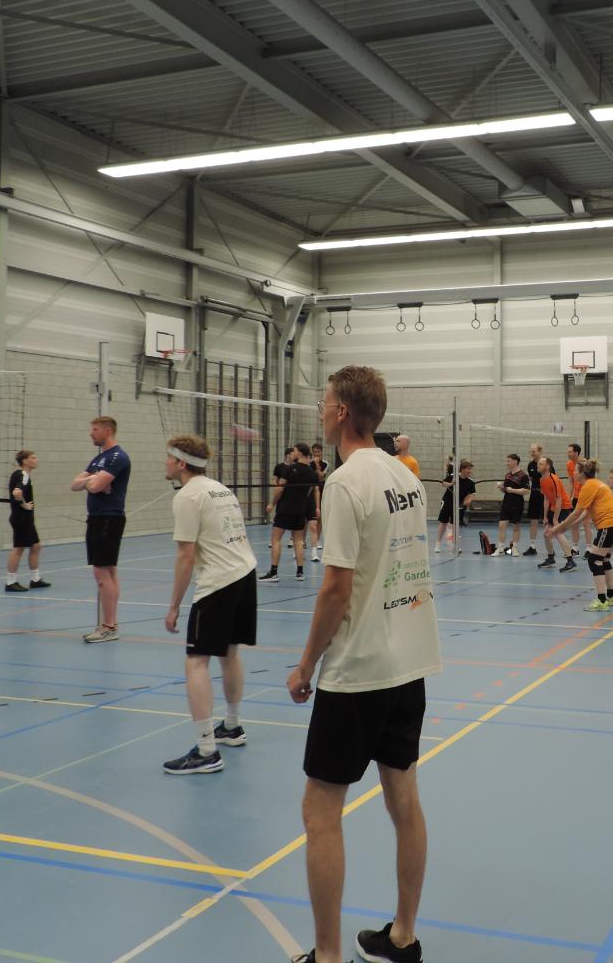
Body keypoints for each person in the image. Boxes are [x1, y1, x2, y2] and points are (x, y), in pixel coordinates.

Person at [286, 365, 442, 963]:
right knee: (404, 800)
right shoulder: (406, 477)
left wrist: (305, 665)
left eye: (324, 402)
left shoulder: (346, 482)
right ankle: (404, 935)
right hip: (409, 664)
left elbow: (336, 588)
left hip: (359, 672)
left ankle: (327, 956)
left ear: (343, 412)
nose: (321, 411)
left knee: (320, 810)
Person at [162, 434, 258, 774]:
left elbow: (185, 556)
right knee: (229, 652)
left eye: (168, 457)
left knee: (196, 662)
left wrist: (174, 606)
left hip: (218, 583)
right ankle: (231, 725)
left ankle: (206, 750)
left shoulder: (187, 496)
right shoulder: (220, 489)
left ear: (181, 463)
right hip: (245, 573)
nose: (165, 463)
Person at [71, 416, 130, 643]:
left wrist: (92, 480)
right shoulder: (99, 458)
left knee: (102, 572)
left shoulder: (117, 457)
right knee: (109, 571)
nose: (91, 433)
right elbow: (75, 485)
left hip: (108, 518)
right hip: (97, 517)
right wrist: (95, 480)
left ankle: (109, 626)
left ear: (108, 431)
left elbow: (93, 486)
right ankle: (110, 624)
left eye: (95, 429)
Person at [550, 459, 613, 610]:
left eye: (575, 470)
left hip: (609, 524)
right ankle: (611, 597)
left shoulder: (588, 486)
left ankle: (602, 601)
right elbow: (586, 511)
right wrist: (567, 527)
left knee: (594, 560)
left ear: (582, 473)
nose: (573, 472)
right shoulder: (595, 484)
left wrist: (557, 528)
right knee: (604, 559)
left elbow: (576, 513)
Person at [262, 444, 320, 582]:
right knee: (298, 541)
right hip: (300, 509)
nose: (292, 453)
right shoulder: (312, 474)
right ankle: (300, 573)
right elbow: (310, 491)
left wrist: (272, 503)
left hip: (285, 508)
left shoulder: (288, 469)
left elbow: (280, 489)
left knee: (276, 539)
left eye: (294, 451)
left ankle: (273, 573)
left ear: (299, 453)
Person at [5, 450, 50, 592]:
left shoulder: (22, 475)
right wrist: (24, 505)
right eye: (33, 458)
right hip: (21, 518)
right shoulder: (22, 475)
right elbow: (17, 492)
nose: (36, 460)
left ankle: (35, 580)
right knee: (18, 548)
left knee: (36, 546)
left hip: (26, 519)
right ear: (25, 461)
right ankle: (10, 582)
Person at [489, 453, 531, 556]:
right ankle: (501, 549)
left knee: (516, 526)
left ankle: (514, 548)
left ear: (515, 461)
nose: (507, 463)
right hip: (506, 502)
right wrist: (501, 488)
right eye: (507, 461)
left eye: (508, 461)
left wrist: (512, 490)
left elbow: (526, 491)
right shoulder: (508, 475)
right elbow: (506, 490)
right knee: (501, 525)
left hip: (517, 503)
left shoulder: (523, 475)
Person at [535, 456, 570, 570]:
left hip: (563, 507)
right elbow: (546, 498)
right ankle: (551, 558)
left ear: (548, 466)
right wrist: (545, 516)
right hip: (554, 508)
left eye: (541, 464)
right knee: (546, 533)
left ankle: (570, 561)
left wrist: (555, 519)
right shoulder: (542, 480)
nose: (538, 465)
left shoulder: (553, 479)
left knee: (557, 533)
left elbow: (559, 500)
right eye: (538, 463)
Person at [434, 460, 475, 552]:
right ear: (462, 469)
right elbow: (444, 484)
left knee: (455, 525)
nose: (470, 471)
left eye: (470, 469)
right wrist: (451, 484)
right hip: (447, 502)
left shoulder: (471, 482)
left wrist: (469, 500)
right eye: (468, 469)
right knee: (443, 522)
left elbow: (472, 494)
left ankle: (454, 545)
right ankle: (438, 543)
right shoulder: (453, 476)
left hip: (458, 505)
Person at [307, 443, 329, 563]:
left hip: (321, 490)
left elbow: (320, 477)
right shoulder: (308, 463)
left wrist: (316, 465)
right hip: (309, 491)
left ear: (321, 452)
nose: (316, 454)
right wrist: (313, 463)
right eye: (314, 452)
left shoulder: (325, 464)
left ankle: (317, 540)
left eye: (318, 452)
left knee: (319, 517)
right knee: (307, 519)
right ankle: (301, 541)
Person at [523, 442, 544, 557]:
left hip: (545, 495)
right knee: (533, 520)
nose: (532, 453)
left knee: (547, 521)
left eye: (534, 451)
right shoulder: (530, 465)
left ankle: (549, 547)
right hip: (534, 494)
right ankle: (532, 546)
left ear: (540, 451)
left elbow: (552, 479)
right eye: (530, 451)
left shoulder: (547, 463)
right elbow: (532, 479)